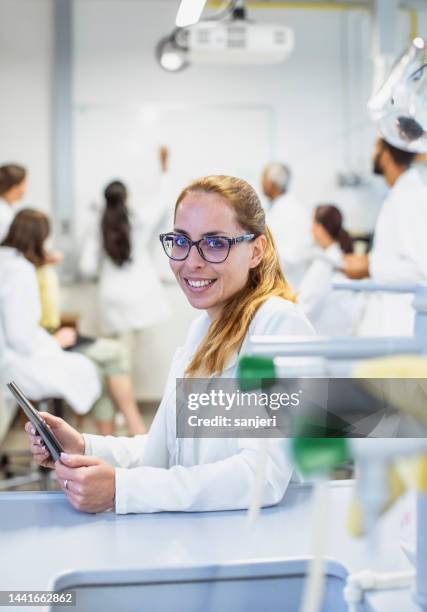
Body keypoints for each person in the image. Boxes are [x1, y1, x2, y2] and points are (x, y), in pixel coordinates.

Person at [26, 175, 315, 515]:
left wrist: (123, 489)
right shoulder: (203, 331)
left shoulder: (278, 326)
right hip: (207, 536)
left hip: (257, 547)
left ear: (256, 250)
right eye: (181, 240)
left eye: (215, 243)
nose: (191, 260)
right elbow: (171, 449)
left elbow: (260, 475)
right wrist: (86, 445)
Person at [0, 210, 146, 435]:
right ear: (38, 238)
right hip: (27, 356)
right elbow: (20, 336)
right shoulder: (20, 271)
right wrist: (55, 342)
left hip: (35, 345)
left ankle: (121, 439)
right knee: (109, 360)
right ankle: (133, 432)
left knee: (103, 365)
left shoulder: (11, 262)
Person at [344, 137, 427, 335]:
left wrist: (369, 267)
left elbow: (421, 270)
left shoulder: (410, 198)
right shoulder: (400, 194)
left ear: (386, 156)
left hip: (403, 325)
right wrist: (368, 262)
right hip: (391, 320)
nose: (373, 155)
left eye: (376, 148)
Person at [79, 165, 170, 339]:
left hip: (110, 295)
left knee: (118, 355)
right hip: (140, 294)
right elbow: (162, 202)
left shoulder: (97, 224)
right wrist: (165, 172)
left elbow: (86, 267)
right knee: (130, 355)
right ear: (126, 197)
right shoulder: (138, 221)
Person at [298, 205, 363, 336]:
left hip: (327, 338)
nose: (311, 229)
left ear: (320, 228)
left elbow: (305, 307)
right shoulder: (337, 256)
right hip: (341, 336)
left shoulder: (325, 263)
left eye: (313, 224)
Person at [261, 162, 311, 289]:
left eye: (263, 178)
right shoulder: (274, 209)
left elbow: (294, 255)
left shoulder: (293, 211)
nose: (261, 182)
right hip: (273, 280)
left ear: (272, 183)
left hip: (288, 282)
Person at [0, 164, 27, 241]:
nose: (25, 190)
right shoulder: (3, 215)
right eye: (24, 184)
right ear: (14, 187)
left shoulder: (5, 208)